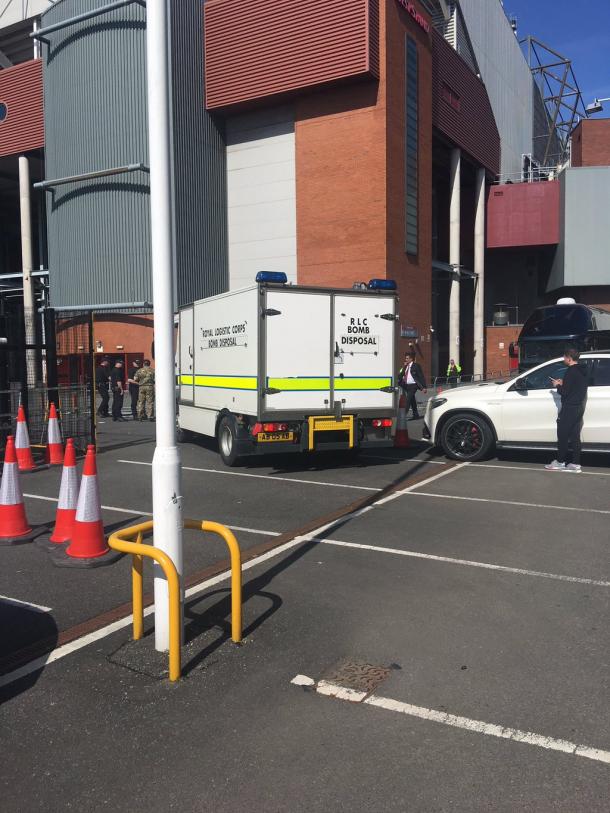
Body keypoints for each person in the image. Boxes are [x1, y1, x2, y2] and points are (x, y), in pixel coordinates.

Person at [545, 347, 589, 473]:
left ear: (569, 358)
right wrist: (564, 382)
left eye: (564, 357)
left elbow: (564, 392)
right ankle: (575, 464)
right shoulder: (582, 370)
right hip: (579, 407)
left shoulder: (570, 371)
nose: (563, 359)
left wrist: (557, 385)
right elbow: (576, 386)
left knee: (563, 435)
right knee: (575, 436)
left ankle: (559, 462)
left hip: (569, 408)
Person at [398, 351, 427, 420]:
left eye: (407, 358)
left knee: (408, 400)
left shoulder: (416, 366)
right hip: (406, 386)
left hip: (413, 386)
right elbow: (401, 375)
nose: (406, 360)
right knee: (412, 400)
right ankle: (415, 414)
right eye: (406, 358)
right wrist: (397, 380)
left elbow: (421, 376)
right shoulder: (406, 366)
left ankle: (403, 416)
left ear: (411, 359)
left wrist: (424, 387)